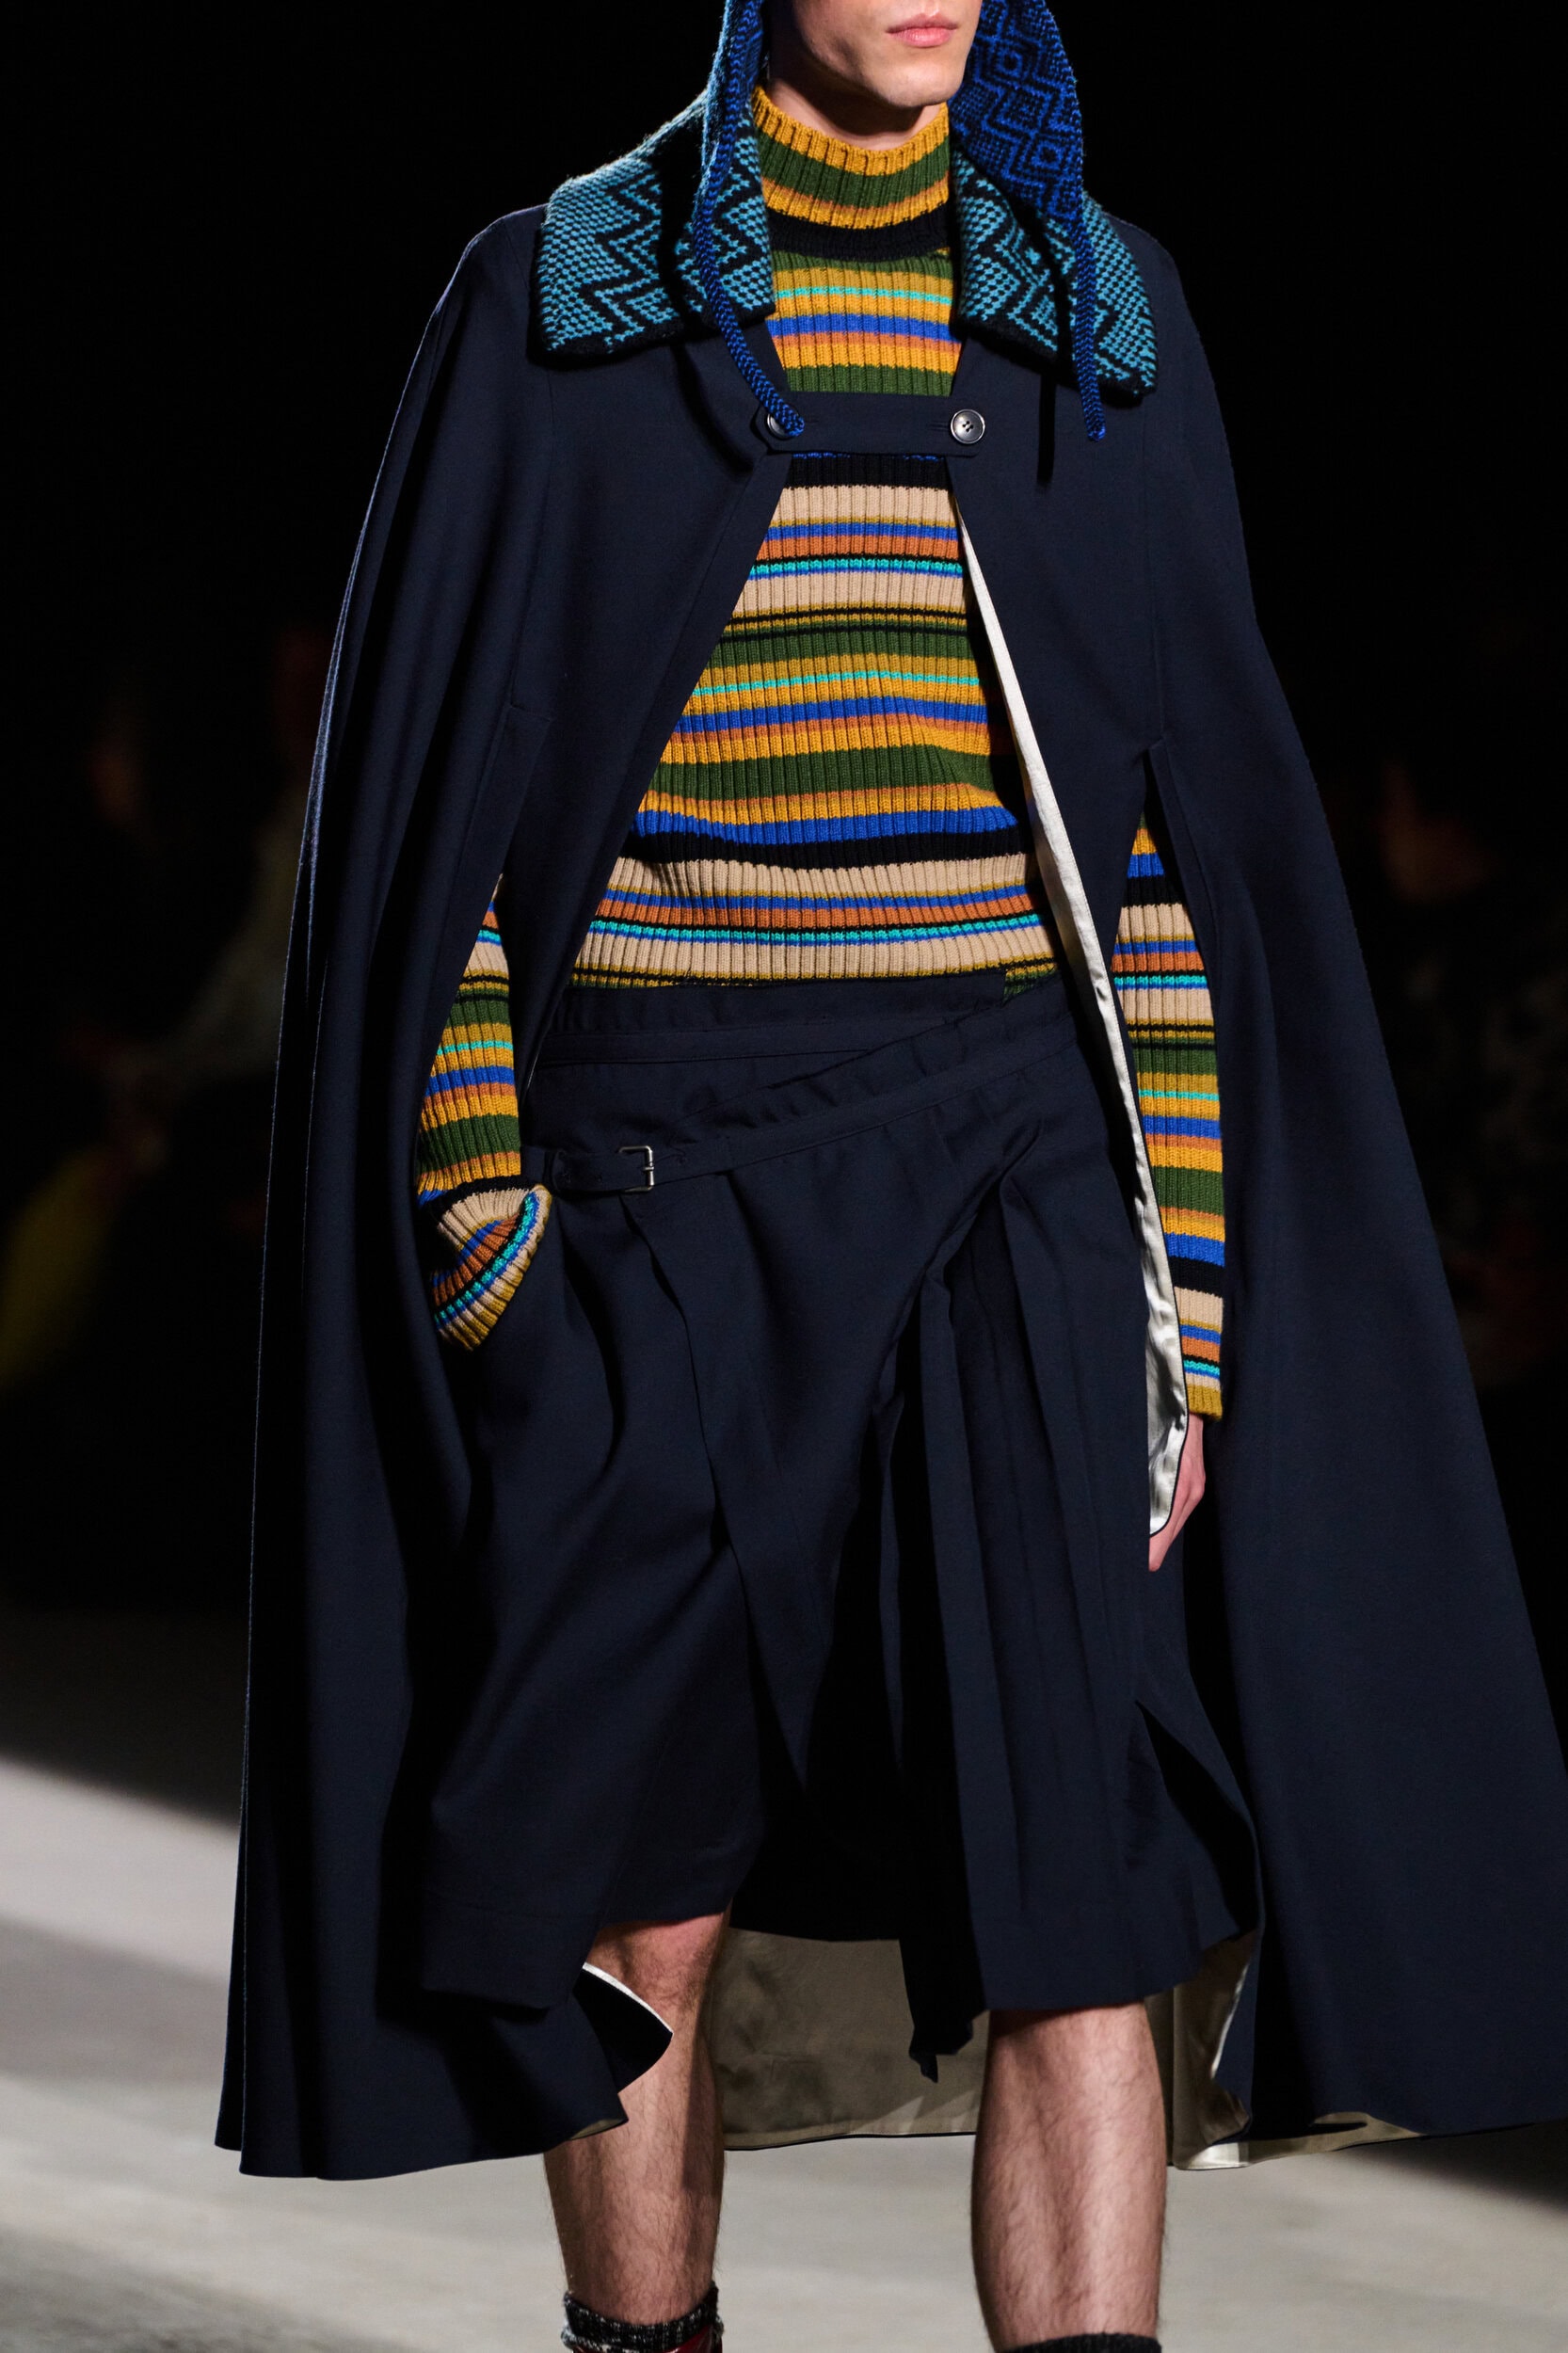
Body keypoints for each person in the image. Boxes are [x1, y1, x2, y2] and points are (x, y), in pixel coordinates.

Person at [217, 7, 1568, 2351]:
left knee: (1083, 1890)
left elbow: (1163, 855)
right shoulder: (565, 296)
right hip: (654, 1179)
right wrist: (491, 1247)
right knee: (633, 1890)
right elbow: (435, 849)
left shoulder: (1088, 307)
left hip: (1014, 1172)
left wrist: (1184, 1310)